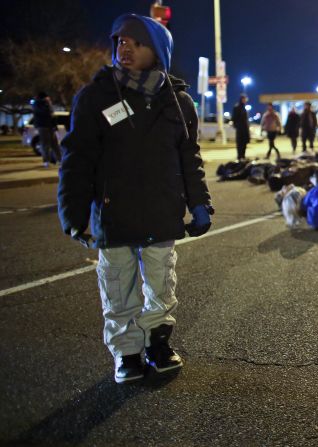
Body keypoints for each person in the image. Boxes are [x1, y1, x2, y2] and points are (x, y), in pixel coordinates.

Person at [57, 13, 213, 384]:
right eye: (120, 41)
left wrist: (200, 203)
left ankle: (158, 344)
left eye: (135, 42)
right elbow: (77, 159)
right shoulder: (96, 96)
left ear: (156, 51)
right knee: (117, 286)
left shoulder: (179, 102)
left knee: (161, 284)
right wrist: (73, 214)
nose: (124, 48)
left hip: (162, 211)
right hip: (113, 214)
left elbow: (189, 158)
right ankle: (127, 353)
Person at [32, 91, 60, 167]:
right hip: (44, 126)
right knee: (47, 144)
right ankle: (48, 161)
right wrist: (48, 103)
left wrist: (55, 125)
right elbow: (48, 113)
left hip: (47, 126)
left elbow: (52, 115)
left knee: (53, 144)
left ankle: (56, 160)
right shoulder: (39, 104)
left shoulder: (40, 104)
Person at [232, 94, 250, 160]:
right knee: (240, 143)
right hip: (240, 129)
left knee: (244, 143)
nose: (245, 100)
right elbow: (234, 118)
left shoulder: (244, 107)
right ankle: (240, 156)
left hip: (245, 128)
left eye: (245, 99)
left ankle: (243, 156)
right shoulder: (237, 107)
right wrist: (237, 126)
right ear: (241, 99)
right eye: (244, 99)